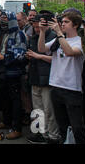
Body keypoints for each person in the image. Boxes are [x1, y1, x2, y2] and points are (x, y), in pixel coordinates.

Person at [38, 11, 85, 144]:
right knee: (62, 126)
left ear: (76, 25)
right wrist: (42, 32)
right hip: (56, 86)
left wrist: (59, 33)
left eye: (66, 22)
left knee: (77, 128)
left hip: (72, 89)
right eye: (62, 22)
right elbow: (41, 48)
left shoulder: (81, 41)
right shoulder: (58, 39)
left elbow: (70, 52)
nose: (62, 24)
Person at [0, 11, 27, 140]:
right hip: (3, 72)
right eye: (1, 18)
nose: (3, 21)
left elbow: (20, 55)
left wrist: (3, 57)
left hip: (14, 72)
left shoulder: (19, 34)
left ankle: (17, 128)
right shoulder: (4, 34)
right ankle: (6, 122)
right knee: (5, 98)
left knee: (15, 100)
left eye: (6, 18)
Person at [25, 13, 59, 144]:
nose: (37, 29)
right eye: (34, 27)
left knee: (49, 110)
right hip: (35, 76)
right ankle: (39, 133)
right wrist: (29, 56)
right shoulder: (33, 37)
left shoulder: (54, 37)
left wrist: (38, 56)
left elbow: (57, 60)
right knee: (37, 109)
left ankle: (52, 136)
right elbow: (33, 52)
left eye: (38, 27)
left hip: (48, 78)